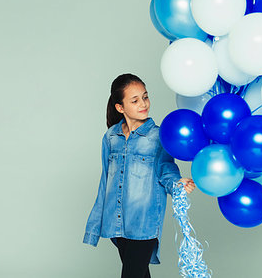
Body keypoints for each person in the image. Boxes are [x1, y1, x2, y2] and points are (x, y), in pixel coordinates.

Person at [83, 73, 195, 278]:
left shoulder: (159, 137)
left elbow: (166, 169)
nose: (143, 104)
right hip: (116, 223)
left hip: (144, 223)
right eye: (135, 100)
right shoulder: (110, 137)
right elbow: (105, 181)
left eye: (145, 97)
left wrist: (177, 184)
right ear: (120, 107)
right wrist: (94, 227)